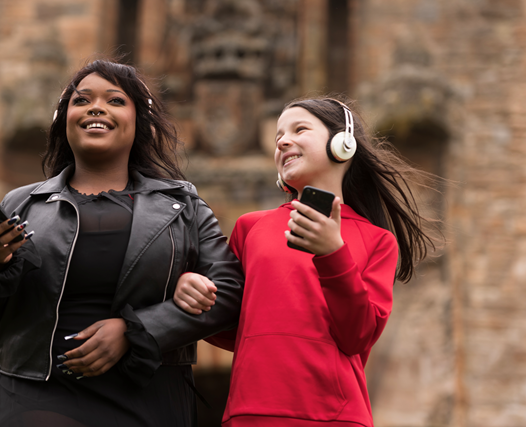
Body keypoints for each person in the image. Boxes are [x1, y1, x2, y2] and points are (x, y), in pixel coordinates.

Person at [0, 59, 244, 427]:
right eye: (81, 100)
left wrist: (137, 329)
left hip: (147, 394)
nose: (96, 107)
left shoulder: (183, 206)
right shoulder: (20, 204)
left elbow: (229, 292)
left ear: (139, 120)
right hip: (35, 394)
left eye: (115, 100)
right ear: (65, 120)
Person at [173, 97, 439, 426]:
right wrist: (189, 291)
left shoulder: (378, 241)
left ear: (343, 144)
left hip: (337, 418)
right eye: (278, 136)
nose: (284, 140)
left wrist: (332, 254)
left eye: (300, 129)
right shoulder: (250, 226)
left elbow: (358, 335)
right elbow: (229, 327)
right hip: (251, 411)